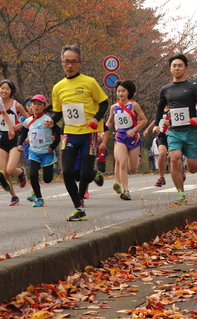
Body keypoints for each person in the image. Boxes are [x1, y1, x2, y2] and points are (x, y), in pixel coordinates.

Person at [45, 45, 107, 221]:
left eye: (73, 61)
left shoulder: (90, 82)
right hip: (70, 133)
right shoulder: (58, 87)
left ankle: (92, 172)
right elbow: (58, 112)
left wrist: (96, 118)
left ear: (79, 63)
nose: (69, 65)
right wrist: (52, 119)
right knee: (67, 173)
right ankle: (79, 208)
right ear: (62, 62)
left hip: (88, 133)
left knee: (85, 175)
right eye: (66, 61)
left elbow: (103, 103)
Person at [153, 54, 197, 205]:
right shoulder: (166, 89)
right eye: (174, 66)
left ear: (185, 68)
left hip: (191, 131)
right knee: (174, 158)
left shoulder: (192, 87)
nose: (177, 68)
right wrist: (156, 124)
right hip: (173, 131)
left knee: (192, 168)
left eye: (180, 65)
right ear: (170, 69)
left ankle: (196, 160)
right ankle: (181, 194)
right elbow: (159, 108)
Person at [105, 80, 147, 201]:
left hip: (133, 138)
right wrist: (103, 130)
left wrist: (134, 129)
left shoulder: (134, 105)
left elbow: (144, 120)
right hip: (120, 137)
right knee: (122, 163)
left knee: (133, 168)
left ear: (128, 92)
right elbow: (110, 121)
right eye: (118, 91)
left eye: (123, 91)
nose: (121, 93)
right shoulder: (114, 107)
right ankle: (126, 190)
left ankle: (138, 158)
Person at [19, 94, 61, 207]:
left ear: (43, 106)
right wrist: (20, 144)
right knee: (32, 174)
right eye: (34, 104)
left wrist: (52, 146)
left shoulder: (48, 120)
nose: (36, 107)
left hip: (47, 152)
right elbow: (23, 133)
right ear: (31, 106)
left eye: (39, 104)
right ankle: (39, 198)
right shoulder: (28, 121)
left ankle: (51, 168)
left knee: (47, 179)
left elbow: (59, 132)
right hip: (34, 152)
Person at [0, 79, 29, 205]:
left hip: (14, 139)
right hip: (0, 138)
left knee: (10, 169)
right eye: (2, 88)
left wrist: (19, 125)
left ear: (11, 91)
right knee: (4, 171)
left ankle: (21, 172)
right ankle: (14, 196)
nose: (4, 91)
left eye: (7, 89)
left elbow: (29, 119)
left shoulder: (16, 105)